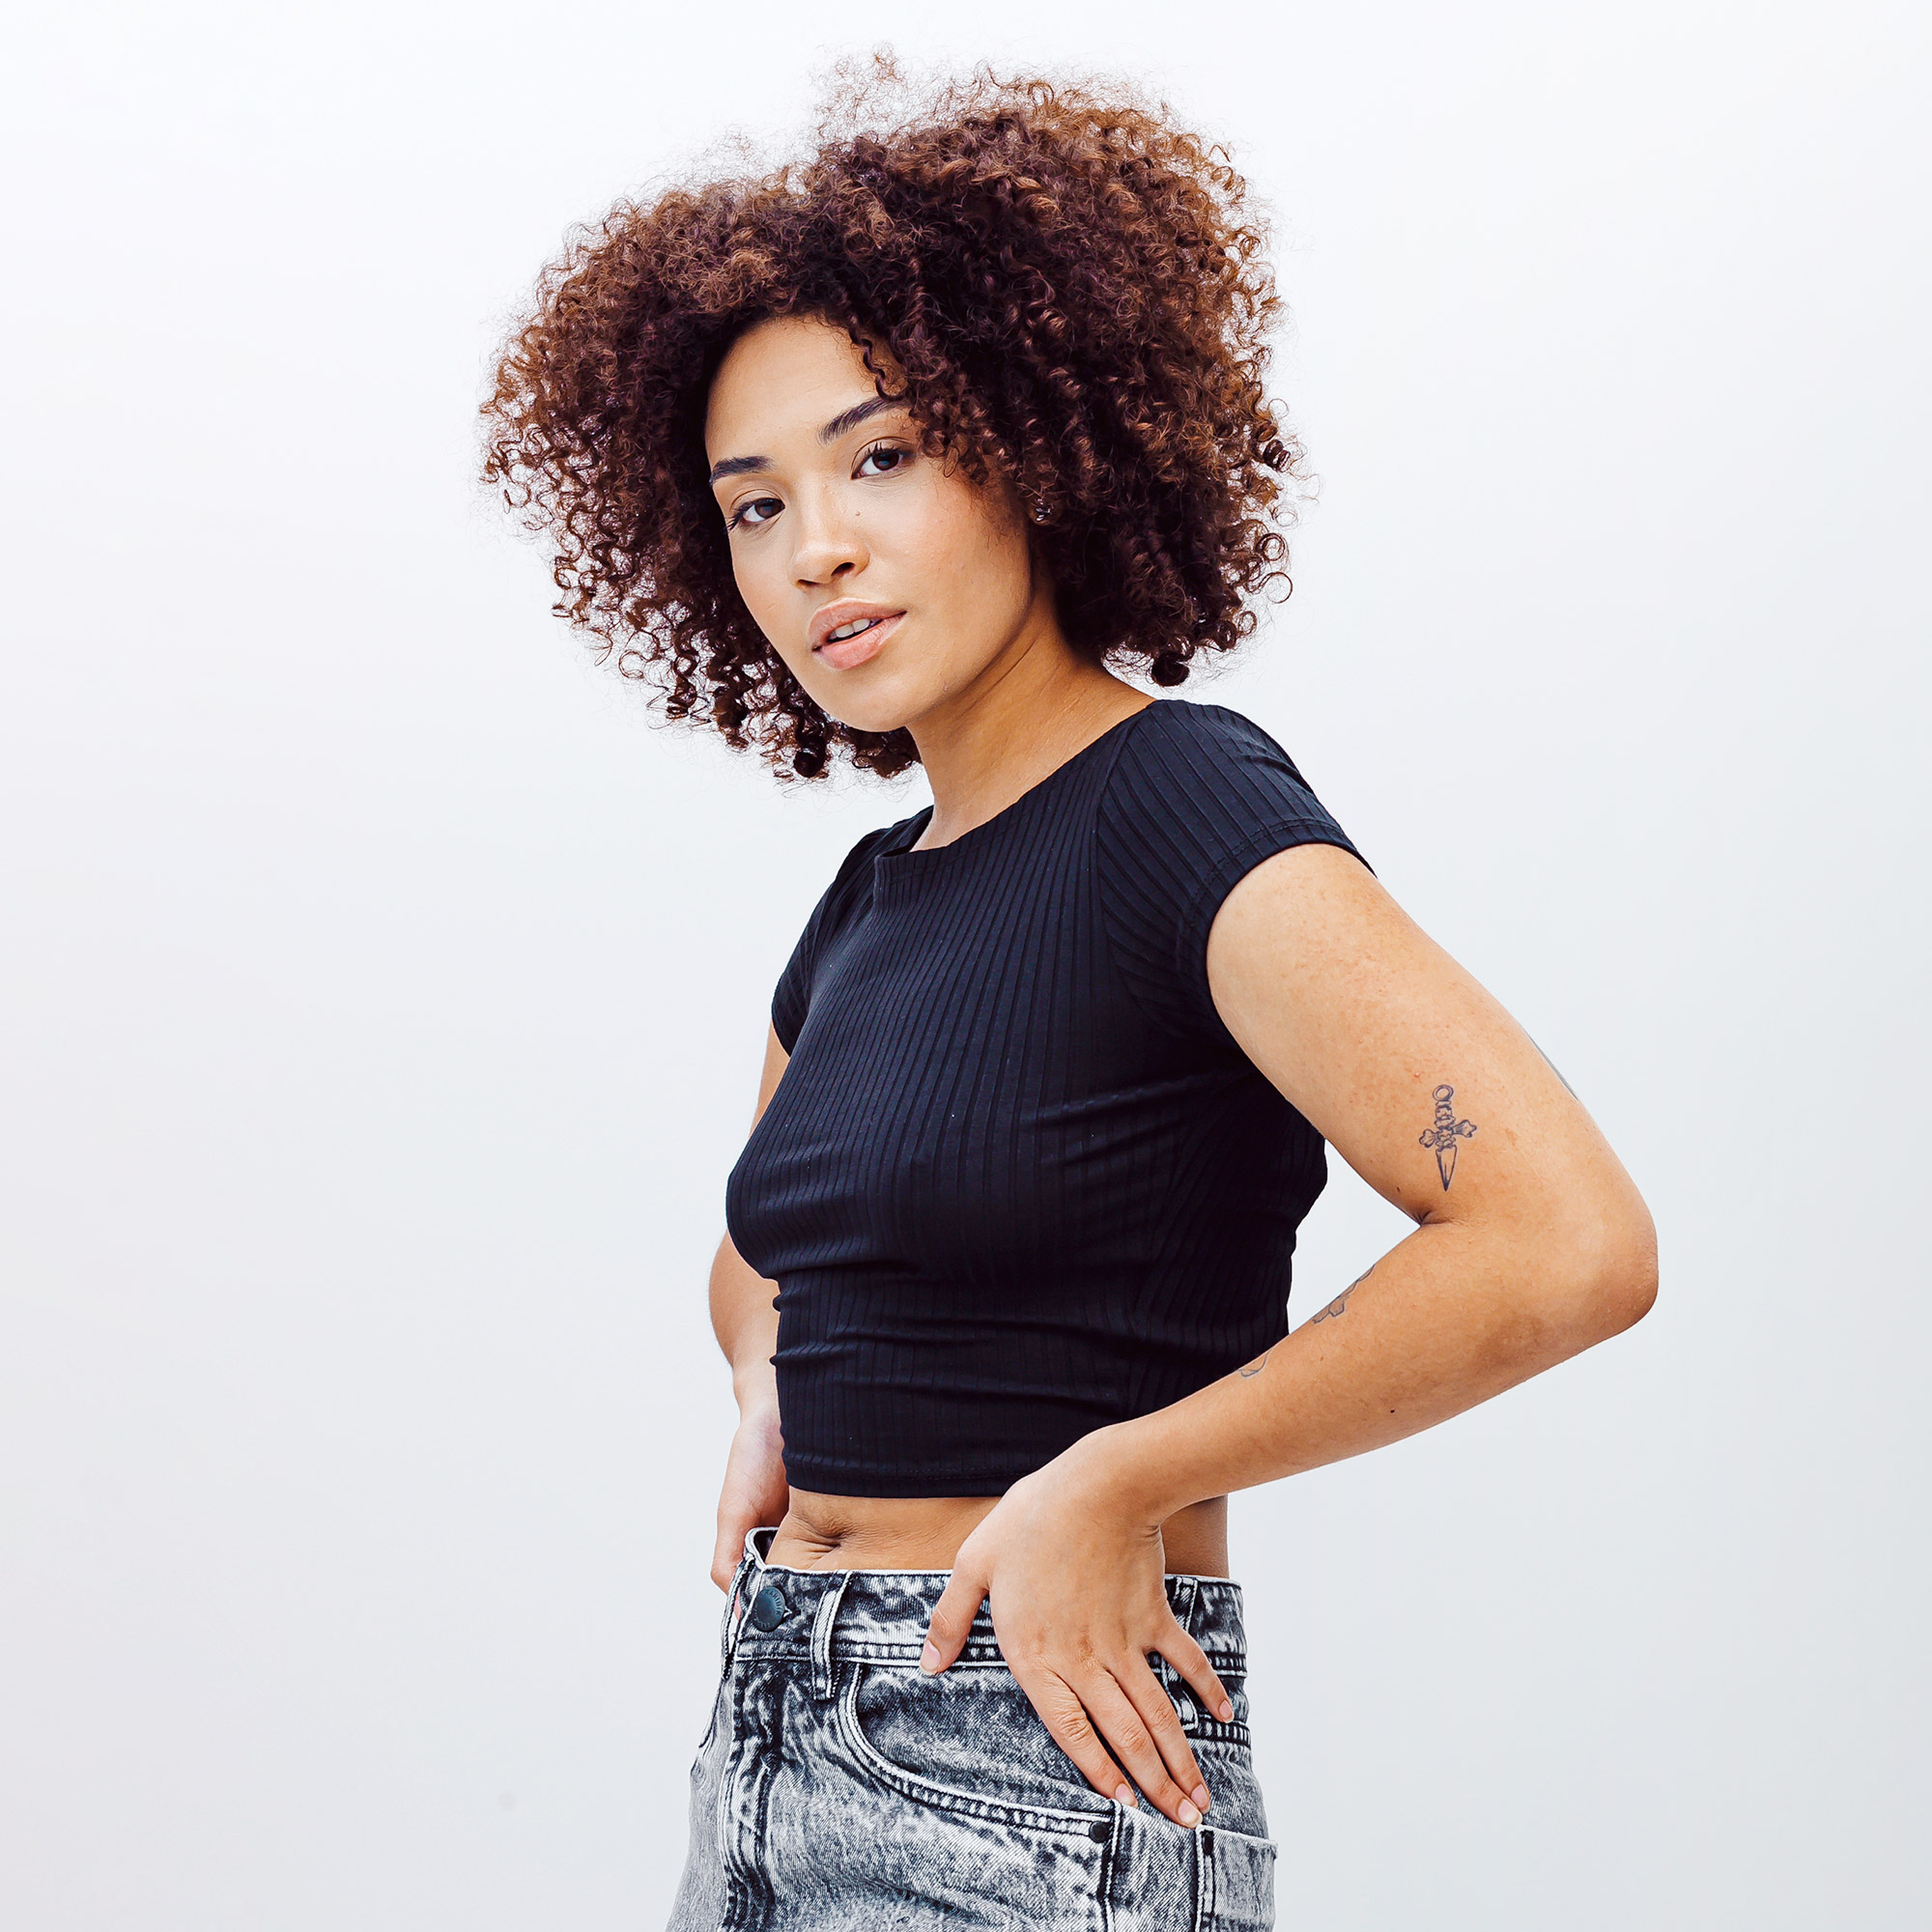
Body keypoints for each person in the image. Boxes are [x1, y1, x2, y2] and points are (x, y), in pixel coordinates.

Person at [483, 56, 1658, 1932]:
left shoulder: (1182, 807)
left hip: (1028, 1759)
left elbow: (1565, 1239)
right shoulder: (870, 899)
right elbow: (772, 1241)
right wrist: (769, 1383)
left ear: (1036, 442)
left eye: (880, 457)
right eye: (753, 503)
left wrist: (1121, 1478)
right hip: (771, 1736)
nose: (817, 547)